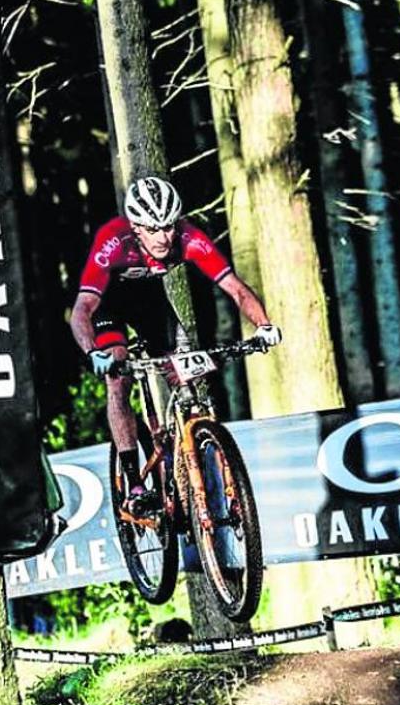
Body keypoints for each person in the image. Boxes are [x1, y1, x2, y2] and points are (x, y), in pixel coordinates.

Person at [69, 176, 282, 512]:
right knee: (119, 377)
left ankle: (192, 449)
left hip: (151, 305)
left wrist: (264, 326)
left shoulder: (188, 238)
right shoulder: (113, 240)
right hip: (107, 306)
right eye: (153, 229)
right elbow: (81, 310)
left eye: (168, 227)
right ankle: (135, 485)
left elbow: (236, 289)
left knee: (187, 375)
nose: (163, 237)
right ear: (136, 226)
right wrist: (92, 351)